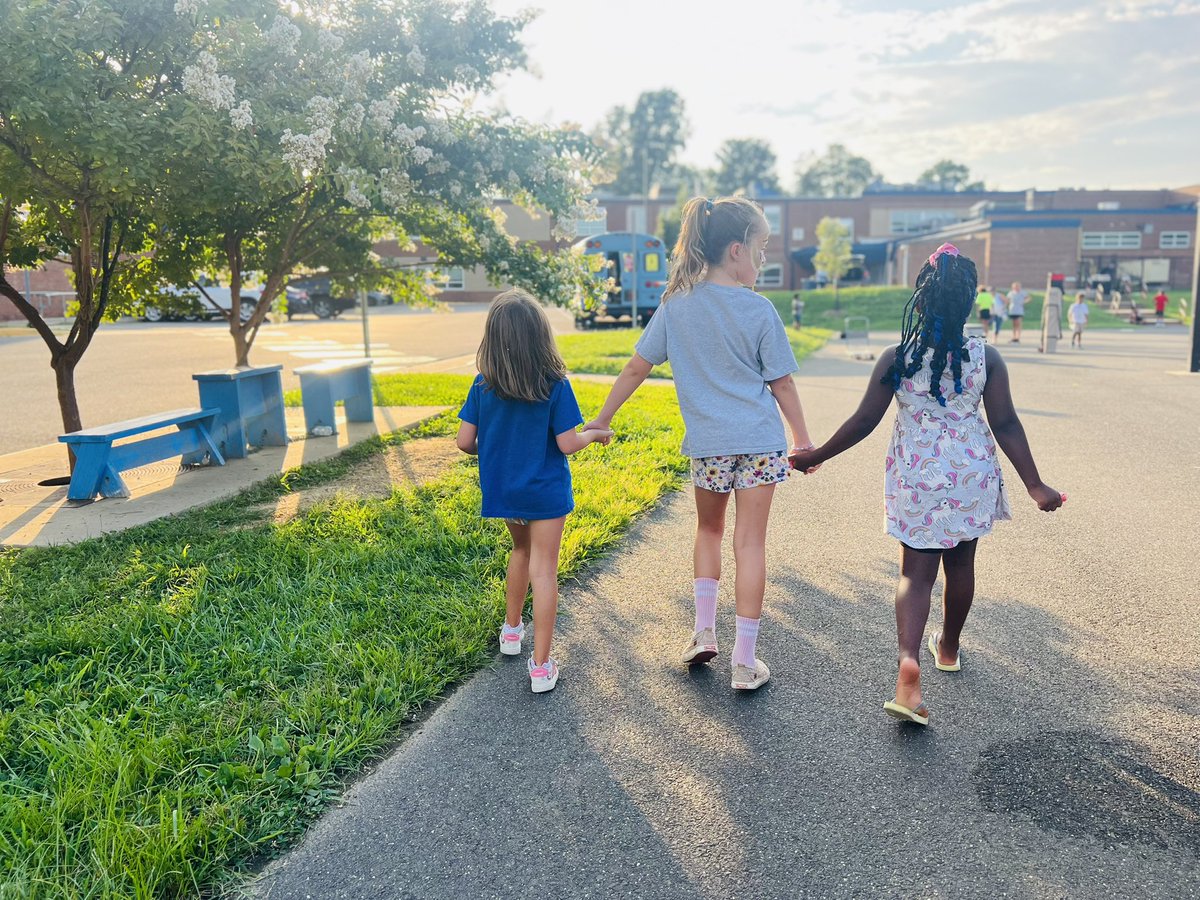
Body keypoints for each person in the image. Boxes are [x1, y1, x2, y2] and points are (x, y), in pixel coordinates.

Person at [790, 243, 1064, 726]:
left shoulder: (899, 357)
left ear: (920, 300)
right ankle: (950, 646)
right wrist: (1036, 485)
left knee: (915, 574)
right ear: (969, 302)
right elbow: (1007, 423)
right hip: (970, 475)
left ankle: (907, 664)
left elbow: (864, 421)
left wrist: (816, 456)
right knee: (961, 565)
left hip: (917, 476)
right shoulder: (987, 357)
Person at [583, 196, 814, 691]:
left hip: (709, 446)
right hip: (758, 442)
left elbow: (636, 367)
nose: (765, 258)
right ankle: (745, 662)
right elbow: (783, 385)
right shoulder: (759, 310)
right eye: (762, 247)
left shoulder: (676, 305)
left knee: (709, 532)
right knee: (749, 543)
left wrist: (602, 418)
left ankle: (703, 632)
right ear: (736, 250)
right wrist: (804, 440)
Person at [456, 289, 613, 693]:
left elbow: (463, 442)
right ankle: (541, 668)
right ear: (540, 336)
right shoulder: (554, 384)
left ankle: (511, 633)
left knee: (520, 552)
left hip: (506, 489)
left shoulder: (483, 385)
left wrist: (492, 446)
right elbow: (566, 443)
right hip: (544, 492)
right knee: (544, 569)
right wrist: (594, 435)